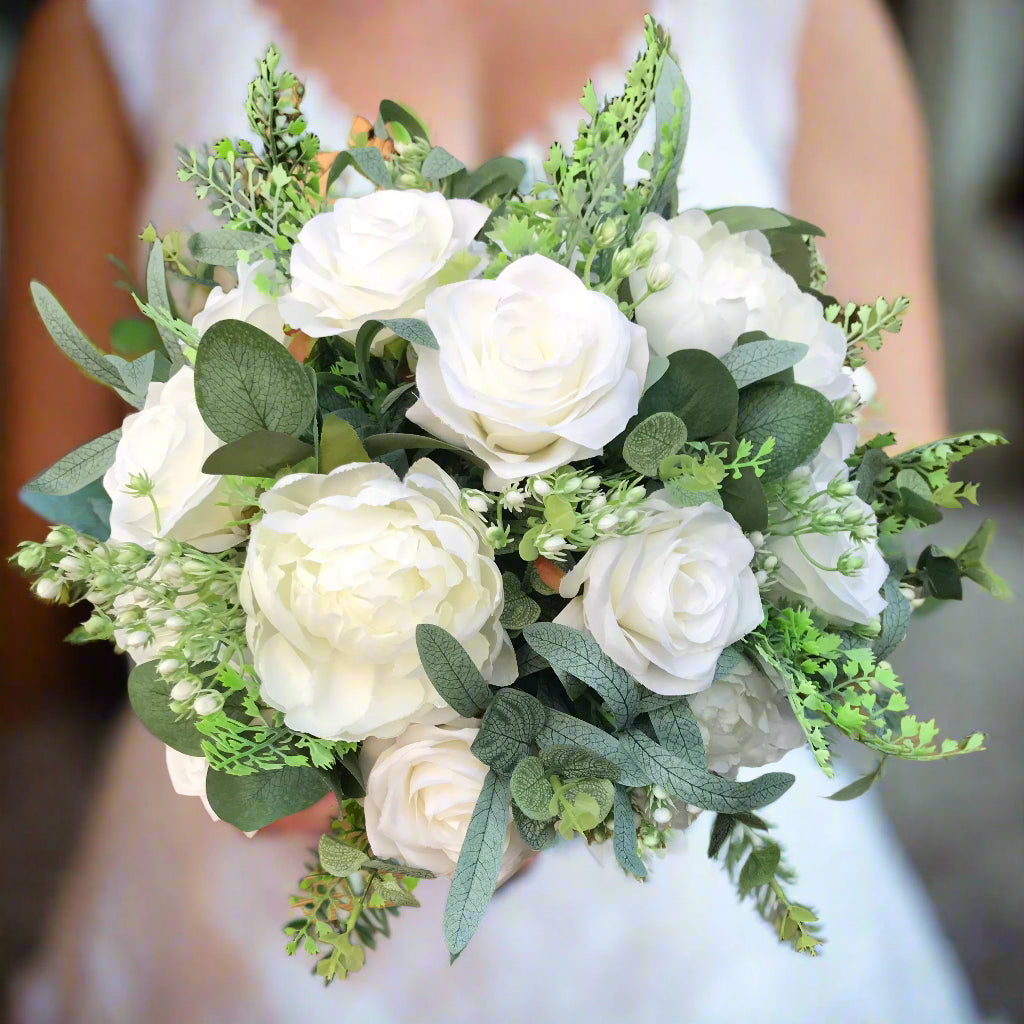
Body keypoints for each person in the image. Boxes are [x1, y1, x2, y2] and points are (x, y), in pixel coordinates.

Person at [4, 0, 974, 1021]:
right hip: (253, 890)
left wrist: (609, 723)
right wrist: (302, 707)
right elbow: (51, 519)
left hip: (687, 929)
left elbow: (883, 504)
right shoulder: (121, 24)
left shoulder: (800, 17)